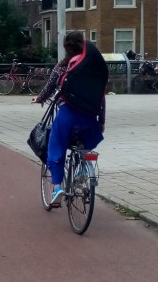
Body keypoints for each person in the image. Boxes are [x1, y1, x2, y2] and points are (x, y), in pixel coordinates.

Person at [32, 32, 108, 206]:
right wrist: (101, 122)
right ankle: (82, 172)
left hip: (68, 114)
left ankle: (57, 187)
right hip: (90, 117)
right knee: (86, 147)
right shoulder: (94, 67)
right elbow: (101, 97)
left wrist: (40, 98)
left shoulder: (64, 66)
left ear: (66, 47)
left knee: (55, 148)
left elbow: (50, 86)